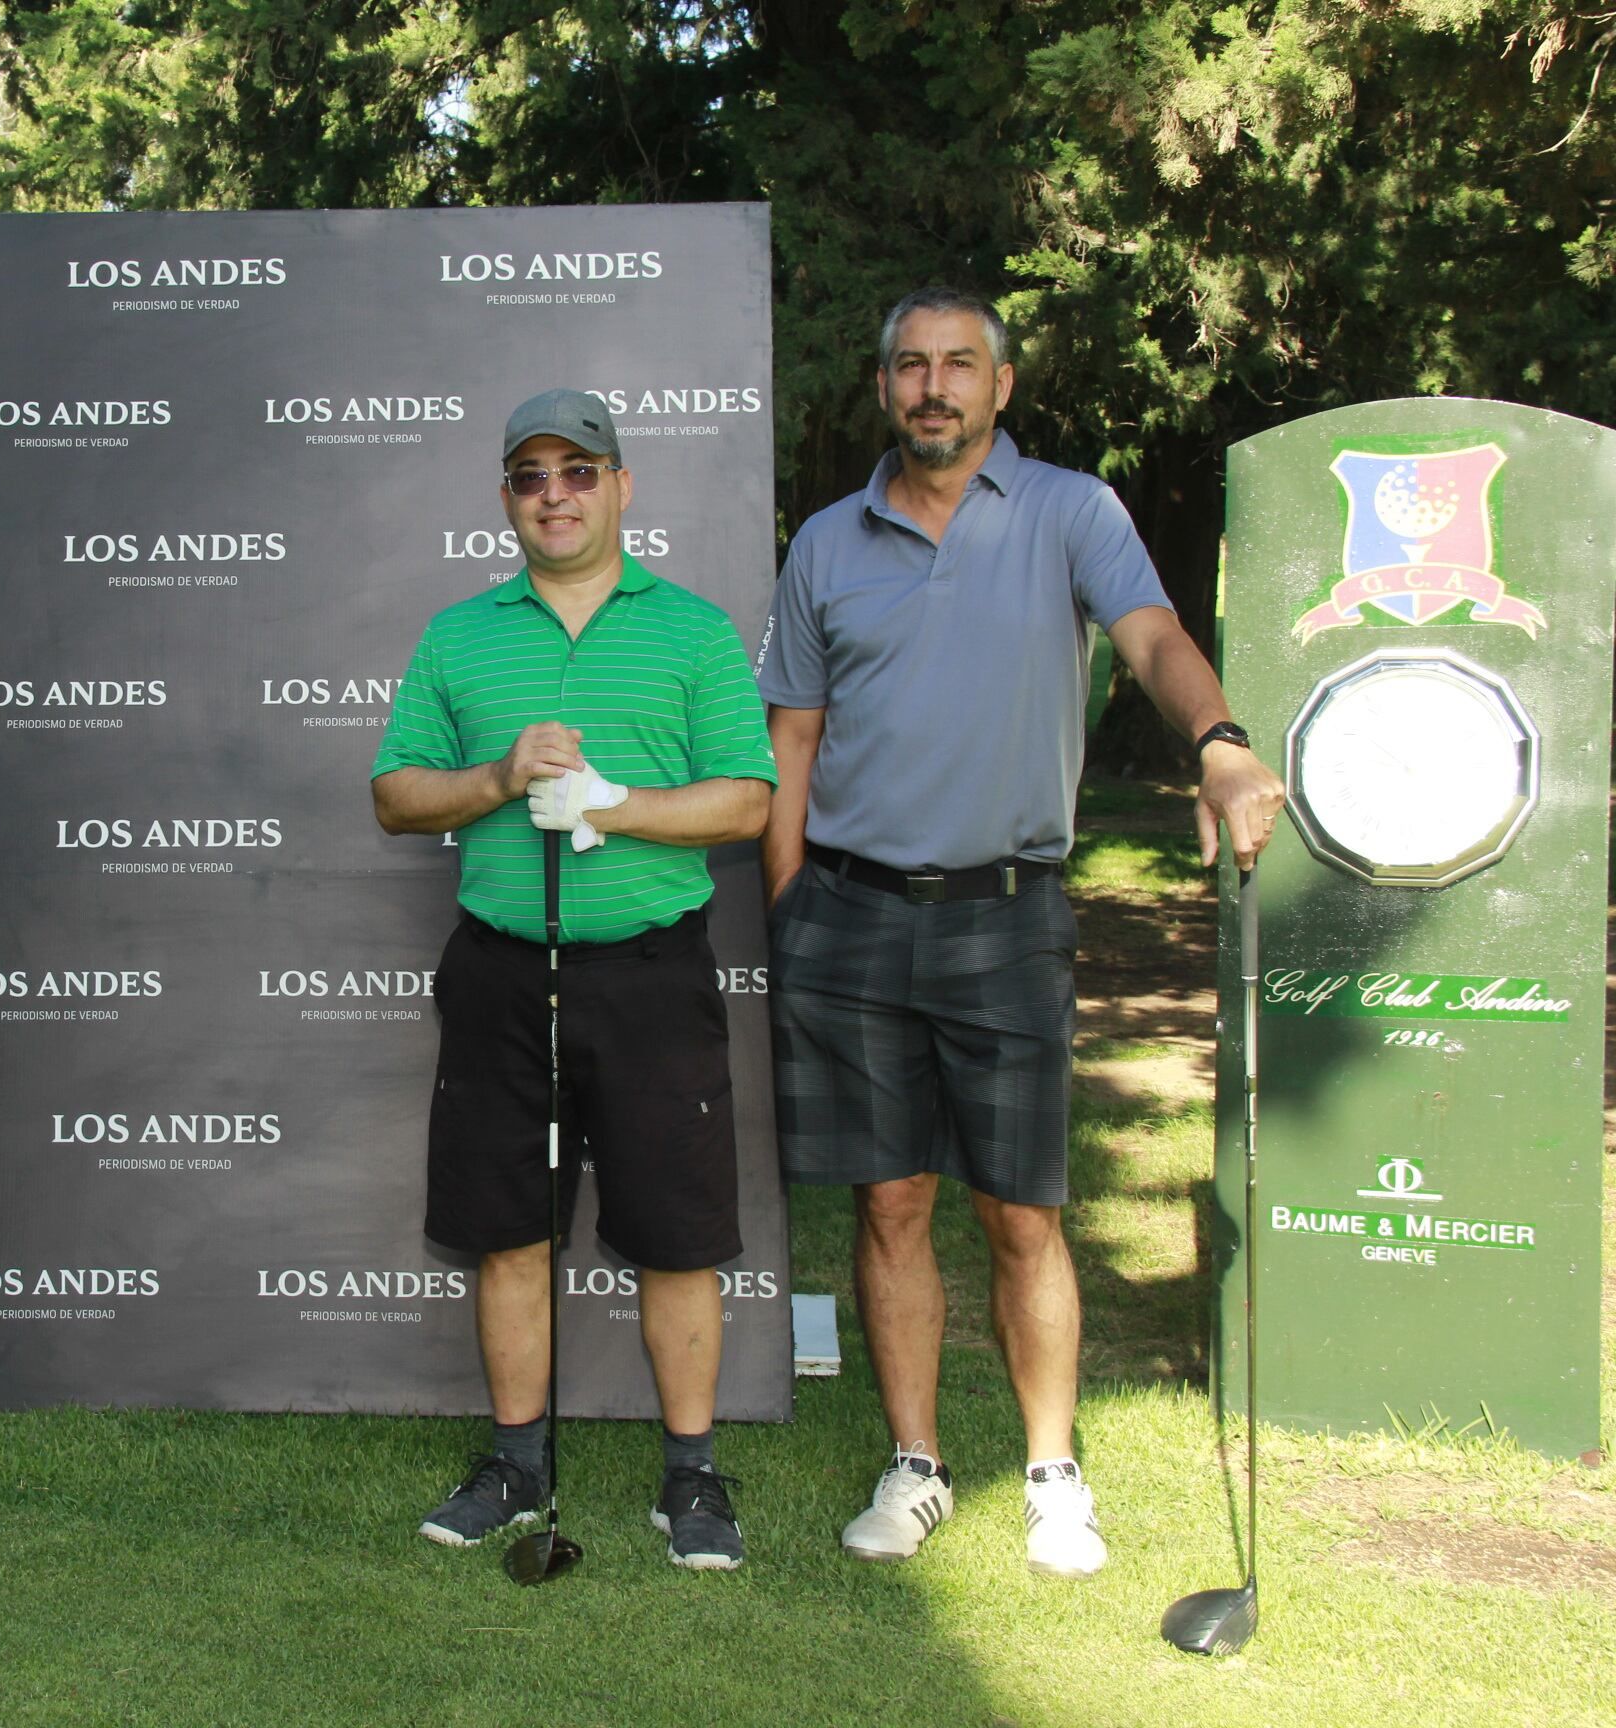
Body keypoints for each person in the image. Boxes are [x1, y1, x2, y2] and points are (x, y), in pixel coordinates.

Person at [759, 287, 1287, 1578]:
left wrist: (1219, 743)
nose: (933, 387)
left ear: (1000, 386)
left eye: (959, 364)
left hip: (1005, 913)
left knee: (1023, 1212)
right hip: (851, 913)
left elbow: (1152, 635)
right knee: (889, 1203)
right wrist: (787, 905)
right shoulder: (826, 540)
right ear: (884, 387)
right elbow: (794, 737)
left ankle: (1054, 1476)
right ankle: (916, 1465)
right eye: (910, 366)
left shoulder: (1071, 510)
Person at [372, 389, 777, 1570]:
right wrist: (498, 779)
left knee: (677, 1235)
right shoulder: (460, 634)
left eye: (580, 471)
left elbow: (747, 801)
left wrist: (615, 804)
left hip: (650, 976)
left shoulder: (693, 630)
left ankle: (691, 1474)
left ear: (621, 486)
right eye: (532, 476)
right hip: (504, 973)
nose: (557, 495)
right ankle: (517, 1464)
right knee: (507, 1230)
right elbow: (395, 795)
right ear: (507, 498)